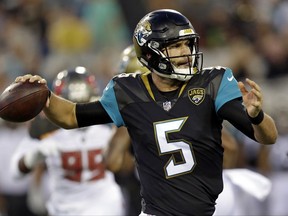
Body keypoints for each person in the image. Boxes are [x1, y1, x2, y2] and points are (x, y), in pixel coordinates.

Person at [14, 9, 277, 216]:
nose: (186, 53)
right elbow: (71, 116)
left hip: (208, 208)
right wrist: (43, 96)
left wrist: (257, 115)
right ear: (150, 54)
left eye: (188, 44)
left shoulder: (213, 83)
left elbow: (267, 137)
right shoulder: (129, 92)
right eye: (175, 46)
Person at [11, 67, 125, 216]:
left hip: (105, 206)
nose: (79, 113)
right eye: (72, 106)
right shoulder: (46, 129)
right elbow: (15, 172)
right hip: (64, 209)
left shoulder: (108, 125)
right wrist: (33, 156)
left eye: (84, 105)